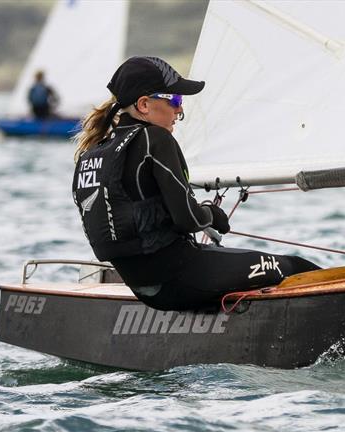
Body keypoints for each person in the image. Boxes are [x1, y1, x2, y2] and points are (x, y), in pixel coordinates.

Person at [71, 56, 320, 311]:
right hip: (181, 277)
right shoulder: (155, 139)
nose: (180, 110)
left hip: (146, 290)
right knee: (296, 267)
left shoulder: (93, 154)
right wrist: (210, 214)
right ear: (144, 104)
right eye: (176, 100)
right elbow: (187, 219)